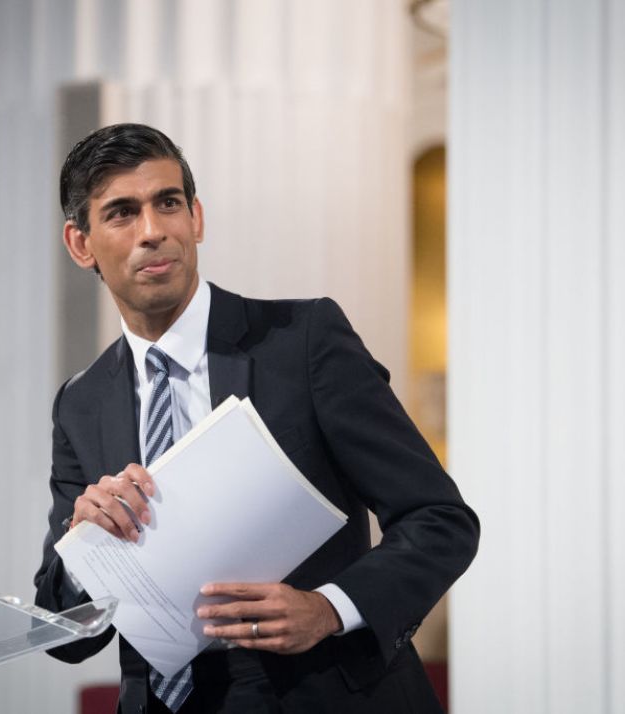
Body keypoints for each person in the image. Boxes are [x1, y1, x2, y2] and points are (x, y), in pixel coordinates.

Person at [34, 123, 479, 714]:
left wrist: (330, 608)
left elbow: (440, 520)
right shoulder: (80, 402)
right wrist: (85, 544)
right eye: (122, 213)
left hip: (325, 694)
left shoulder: (305, 341)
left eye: (168, 203)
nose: (153, 231)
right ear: (80, 244)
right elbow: (62, 633)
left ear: (196, 218)